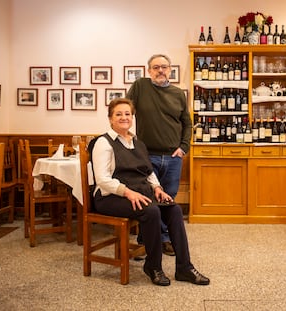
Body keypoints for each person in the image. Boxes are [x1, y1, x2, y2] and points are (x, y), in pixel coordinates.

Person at [91, 98, 209, 286]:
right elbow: (102, 180)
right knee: (151, 210)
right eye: (118, 114)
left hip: (140, 192)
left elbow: (148, 172)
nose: (124, 117)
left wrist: (157, 188)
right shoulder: (103, 143)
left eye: (127, 114)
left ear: (132, 117)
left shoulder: (137, 142)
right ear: (110, 118)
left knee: (174, 209)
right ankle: (153, 266)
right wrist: (128, 192)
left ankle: (184, 267)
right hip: (110, 197)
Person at [127, 54, 192, 256]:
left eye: (164, 67)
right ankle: (146, 240)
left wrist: (183, 147)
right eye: (156, 67)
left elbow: (187, 123)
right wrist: (126, 138)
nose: (160, 71)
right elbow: (125, 110)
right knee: (148, 199)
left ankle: (162, 238)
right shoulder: (140, 86)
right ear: (149, 71)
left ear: (171, 70)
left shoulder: (178, 94)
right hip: (147, 156)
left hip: (173, 158)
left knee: (168, 199)